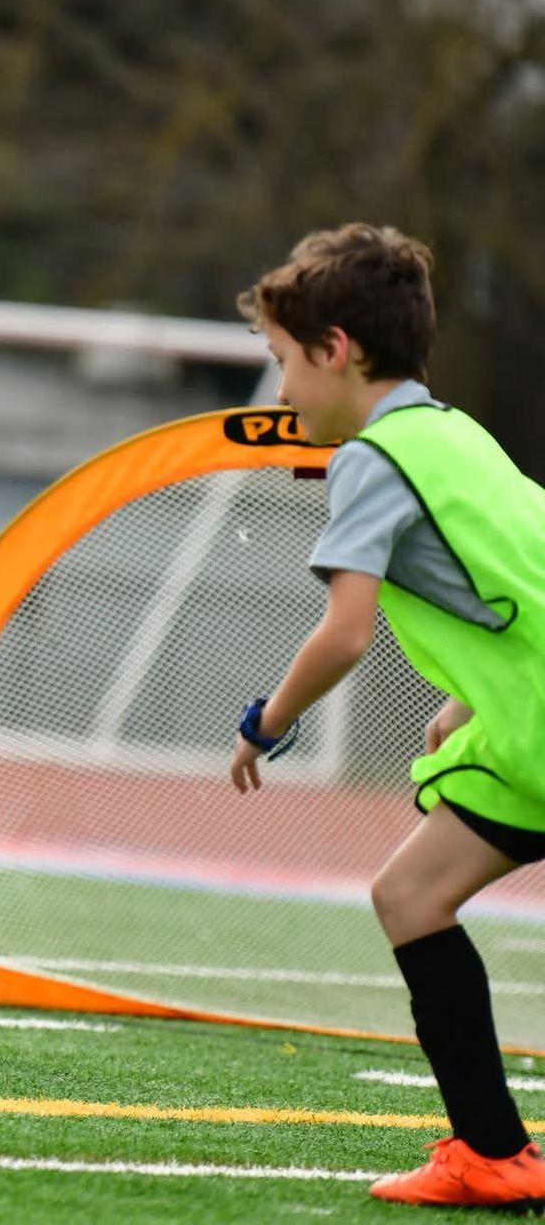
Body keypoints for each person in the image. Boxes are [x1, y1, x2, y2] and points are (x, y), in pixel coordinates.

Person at [229, 223, 545, 1210]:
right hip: (526, 722)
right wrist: (465, 696)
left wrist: (266, 718)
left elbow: (346, 632)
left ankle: (494, 1152)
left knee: (411, 899)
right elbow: (514, 586)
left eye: (284, 362)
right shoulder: (457, 433)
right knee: (411, 891)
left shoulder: (373, 459)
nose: (280, 392)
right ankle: (492, 1150)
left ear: (336, 349)